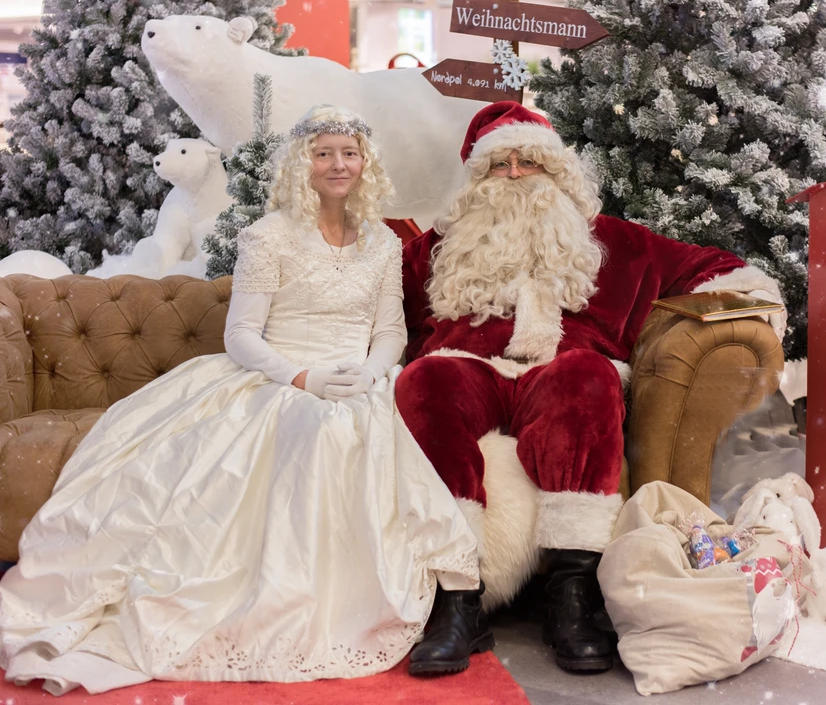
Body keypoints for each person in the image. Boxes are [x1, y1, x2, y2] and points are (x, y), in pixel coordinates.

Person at [0, 105, 479, 695]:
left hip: (359, 379)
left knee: (356, 428)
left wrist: (376, 373)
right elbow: (242, 336)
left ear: (365, 163)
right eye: (323, 152)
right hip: (277, 377)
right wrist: (302, 378)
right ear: (303, 161)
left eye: (348, 153)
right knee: (317, 429)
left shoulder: (382, 241)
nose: (337, 164)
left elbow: (390, 329)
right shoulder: (269, 235)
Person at [396, 101, 786, 675]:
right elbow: (369, 305)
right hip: (467, 370)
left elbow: (715, 267)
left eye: (528, 162)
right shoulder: (436, 247)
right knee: (426, 379)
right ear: (475, 179)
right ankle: (457, 600)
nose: (513, 175)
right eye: (498, 165)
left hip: (563, 374)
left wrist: (749, 305)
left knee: (588, 376)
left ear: (557, 171)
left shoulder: (610, 240)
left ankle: (570, 593)